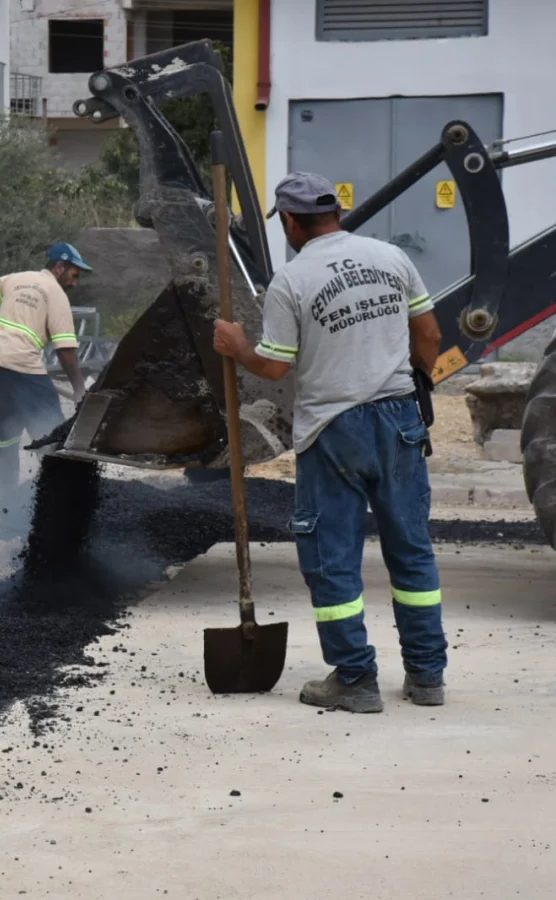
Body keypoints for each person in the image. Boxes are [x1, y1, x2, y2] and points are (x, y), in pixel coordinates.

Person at [211, 171, 448, 714]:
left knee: (332, 557)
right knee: (411, 551)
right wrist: (409, 385)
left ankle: (356, 678)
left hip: (333, 430)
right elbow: (430, 337)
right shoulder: (392, 257)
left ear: (291, 222)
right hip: (399, 420)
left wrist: (238, 345)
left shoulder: (292, 280)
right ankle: (427, 677)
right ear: (336, 212)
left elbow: (274, 367)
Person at [0, 242, 90, 507]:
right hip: (22, 364)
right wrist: (80, 390)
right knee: (51, 431)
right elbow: (66, 352)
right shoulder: (56, 293)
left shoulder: (17, 279)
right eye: (74, 275)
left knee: (9, 428)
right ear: (60, 267)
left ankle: (3, 494)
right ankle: (62, 498)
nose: (75, 283)